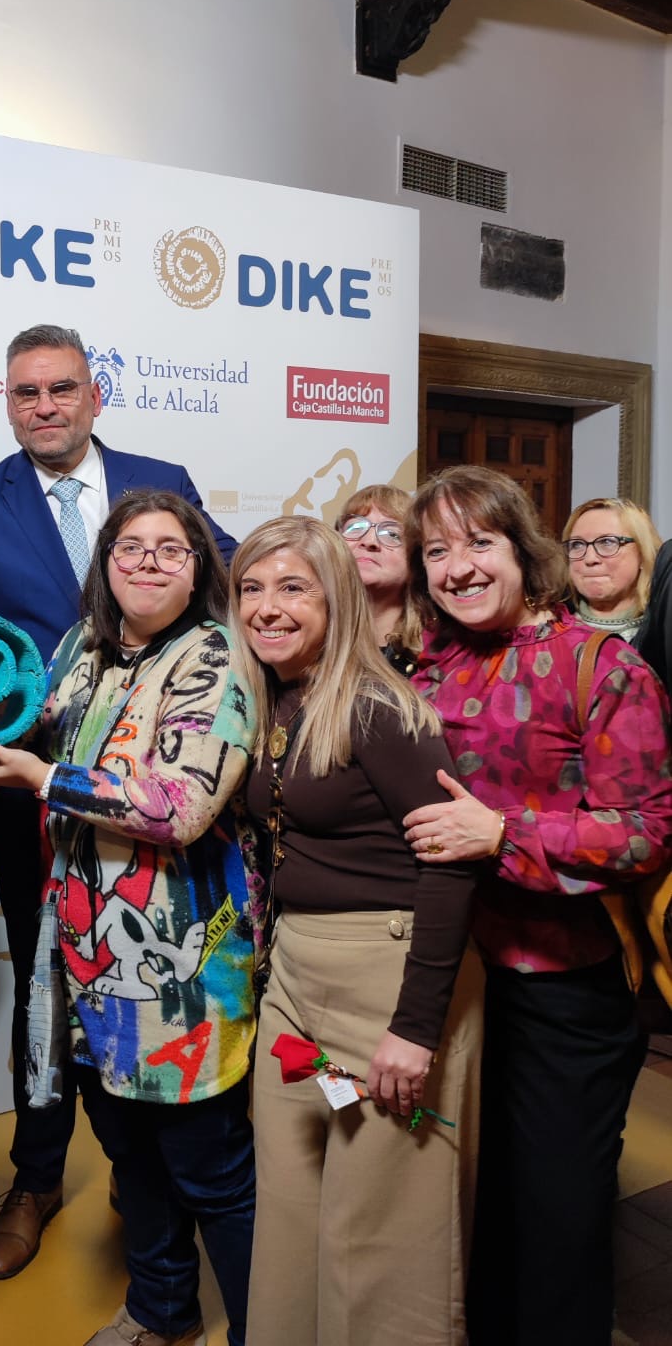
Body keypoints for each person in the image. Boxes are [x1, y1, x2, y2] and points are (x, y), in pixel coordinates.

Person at [0, 323, 238, 1280]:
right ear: (7, 403)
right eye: (26, 392)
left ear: (94, 395)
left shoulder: (160, 479)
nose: (45, 406)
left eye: (61, 388)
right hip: (34, 792)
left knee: (160, 985)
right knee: (46, 984)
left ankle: (152, 1175)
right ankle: (37, 1175)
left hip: (164, 795)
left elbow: (232, 580)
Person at [0, 489, 258, 1346]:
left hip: (178, 979)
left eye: (171, 548)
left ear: (198, 570)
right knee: (131, 1158)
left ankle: (260, 1326)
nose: (148, 562)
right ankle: (163, 1314)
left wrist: (41, 779)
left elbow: (180, 806)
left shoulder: (216, 657)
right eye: (130, 546)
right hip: (79, 959)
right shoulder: (78, 647)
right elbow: (37, 731)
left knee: (210, 1173)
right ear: (104, 563)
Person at [402, 465, 672, 1346]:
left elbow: (644, 832)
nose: (458, 567)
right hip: (453, 983)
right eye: (436, 550)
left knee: (559, 1218)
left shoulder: (602, 666)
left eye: (479, 542)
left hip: (564, 988)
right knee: (476, 1205)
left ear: (523, 550)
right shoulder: (425, 664)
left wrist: (501, 834)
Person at [233, 516, 481, 1346]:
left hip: (386, 982)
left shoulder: (382, 711)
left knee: (379, 1233)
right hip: (296, 985)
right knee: (292, 1207)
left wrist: (415, 1030)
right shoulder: (275, 697)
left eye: (291, 588)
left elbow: (450, 865)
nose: (266, 608)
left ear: (336, 598)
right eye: (250, 589)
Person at [335, 482, 422, 673]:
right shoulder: (308, 642)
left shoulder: (437, 656)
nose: (369, 541)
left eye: (392, 534)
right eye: (356, 527)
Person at [561, 495, 661, 644]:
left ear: (642, 554)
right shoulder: (547, 630)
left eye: (607, 542)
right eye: (577, 544)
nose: (590, 559)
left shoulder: (663, 635)